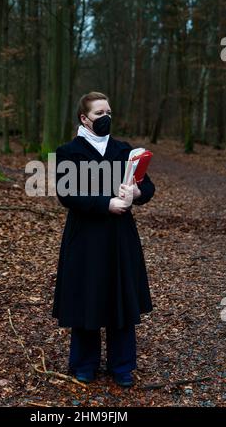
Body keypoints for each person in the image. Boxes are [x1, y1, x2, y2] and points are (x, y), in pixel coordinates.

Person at [52, 91, 155, 387]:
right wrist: (105, 203)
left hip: (120, 237)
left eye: (108, 111)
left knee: (119, 296)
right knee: (87, 296)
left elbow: (147, 187)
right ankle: (84, 364)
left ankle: (122, 365)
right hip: (84, 236)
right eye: (99, 113)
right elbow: (67, 194)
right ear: (84, 118)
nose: (106, 117)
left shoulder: (125, 150)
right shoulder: (68, 152)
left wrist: (136, 193)